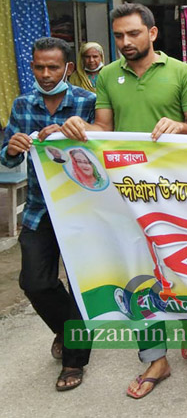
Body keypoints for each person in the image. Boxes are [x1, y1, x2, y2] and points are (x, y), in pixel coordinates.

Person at [59, 3, 187, 399]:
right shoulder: (108, 75)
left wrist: (179, 126)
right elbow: (103, 128)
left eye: (133, 34)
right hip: (127, 193)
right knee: (136, 273)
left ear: (152, 33)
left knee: (182, 265)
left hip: (176, 192)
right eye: (119, 36)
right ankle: (155, 358)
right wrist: (77, 126)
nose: (125, 42)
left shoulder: (181, 72)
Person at [1, 36, 95, 392]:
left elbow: (103, 146)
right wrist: (12, 149)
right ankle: (66, 329)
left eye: (52, 67)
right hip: (40, 209)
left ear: (67, 68)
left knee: (81, 284)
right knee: (34, 282)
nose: (45, 74)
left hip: (82, 208)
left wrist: (78, 133)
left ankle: (74, 359)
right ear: (31, 67)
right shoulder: (22, 104)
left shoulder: (87, 102)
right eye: (39, 67)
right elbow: (7, 156)